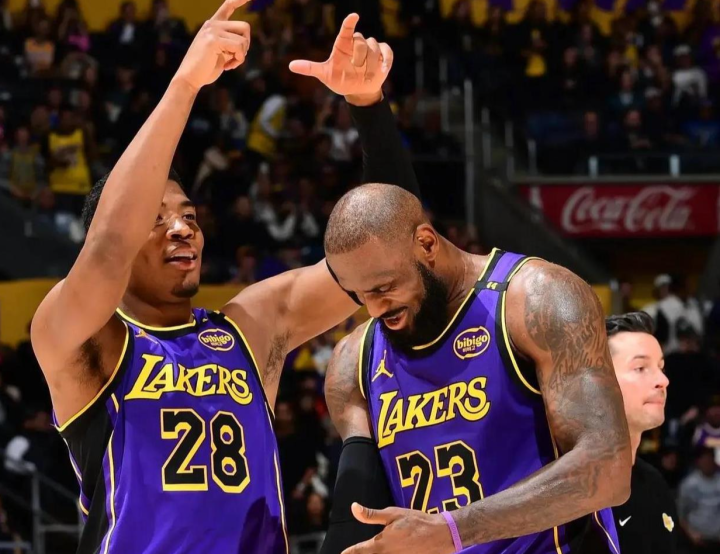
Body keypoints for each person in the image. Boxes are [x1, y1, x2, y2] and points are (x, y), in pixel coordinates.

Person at [30, 6, 410, 553]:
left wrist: (368, 104)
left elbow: (386, 244)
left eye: (189, 215)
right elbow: (108, 248)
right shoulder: (86, 340)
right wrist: (186, 84)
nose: (181, 228)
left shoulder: (249, 329)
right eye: (156, 219)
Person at [292, 33, 631, 552]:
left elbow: (607, 466)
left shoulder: (534, 298)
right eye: (359, 296)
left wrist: (454, 531)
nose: (375, 309)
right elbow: (355, 514)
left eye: (384, 288)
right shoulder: (353, 361)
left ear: (427, 244)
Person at [593, 312, 677, 553]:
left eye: (661, 367)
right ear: (596, 381)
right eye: (641, 368)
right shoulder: (569, 490)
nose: (663, 380)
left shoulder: (655, 484)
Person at [678, 447, 720, 552]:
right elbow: (680, 514)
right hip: (697, 540)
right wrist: (691, 533)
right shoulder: (688, 484)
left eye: (710, 459)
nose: (707, 462)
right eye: (704, 459)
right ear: (698, 462)